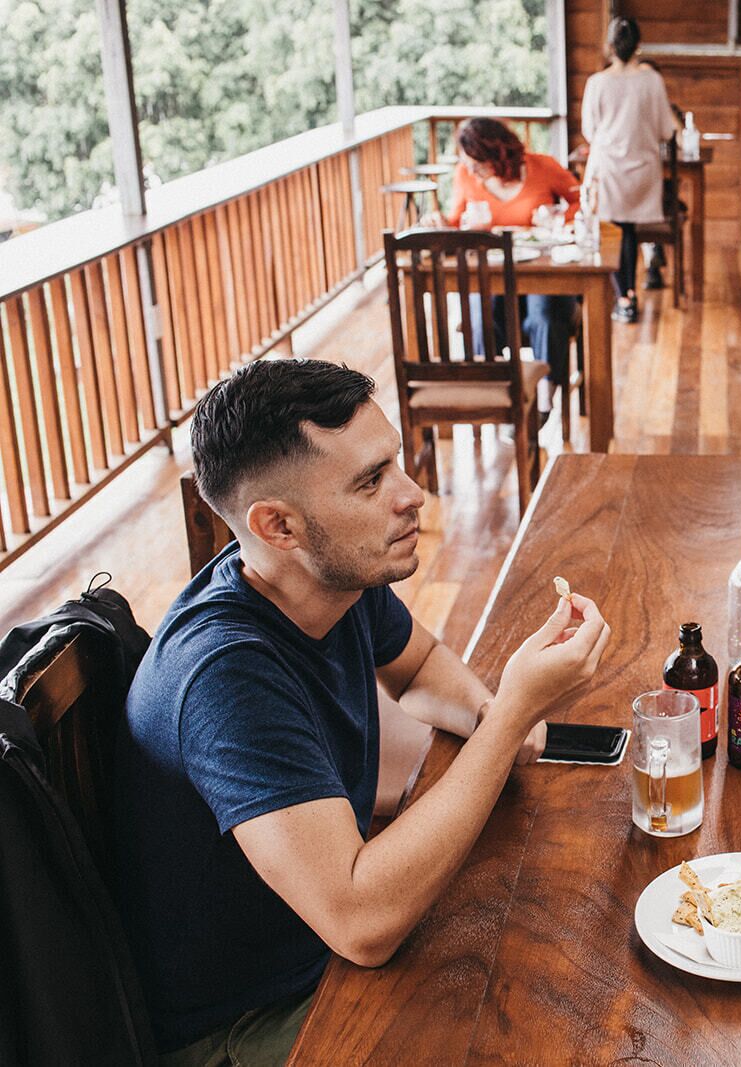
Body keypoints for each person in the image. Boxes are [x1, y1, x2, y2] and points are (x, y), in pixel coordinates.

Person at [112, 359, 611, 1064]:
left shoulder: (330, 574)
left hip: (321, 948)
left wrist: (489, 708)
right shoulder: (226, 677)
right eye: (371, 481)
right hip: (250, 1020)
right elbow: (362, 920)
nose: (413, 495)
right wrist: (510, 718)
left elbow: (417, 668)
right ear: (278, 524)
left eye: (396, 465)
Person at [421, 118, 580, 421]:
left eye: (478, 164)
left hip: (541, 270)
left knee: (544, 312)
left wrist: (558, 214)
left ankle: (543, 401)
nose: (472, 171)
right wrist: (442, 223)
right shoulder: (466, 176)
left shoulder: (542, 166)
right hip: (493, 273)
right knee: (480, 316)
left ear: (498, 154)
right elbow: (456, 221)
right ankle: (494, 396)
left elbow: (580, 198)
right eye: (468, 165)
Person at [580, 16, 679, 323]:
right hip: (644, 170)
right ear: (638, 46)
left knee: (617, 231)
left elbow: (589, 130)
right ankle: (628, 293)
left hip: (609, 167)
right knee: (630, 232)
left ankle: (624, 295)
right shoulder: (652, 80)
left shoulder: (597, 83)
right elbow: (666, 130)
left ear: (608, 47)